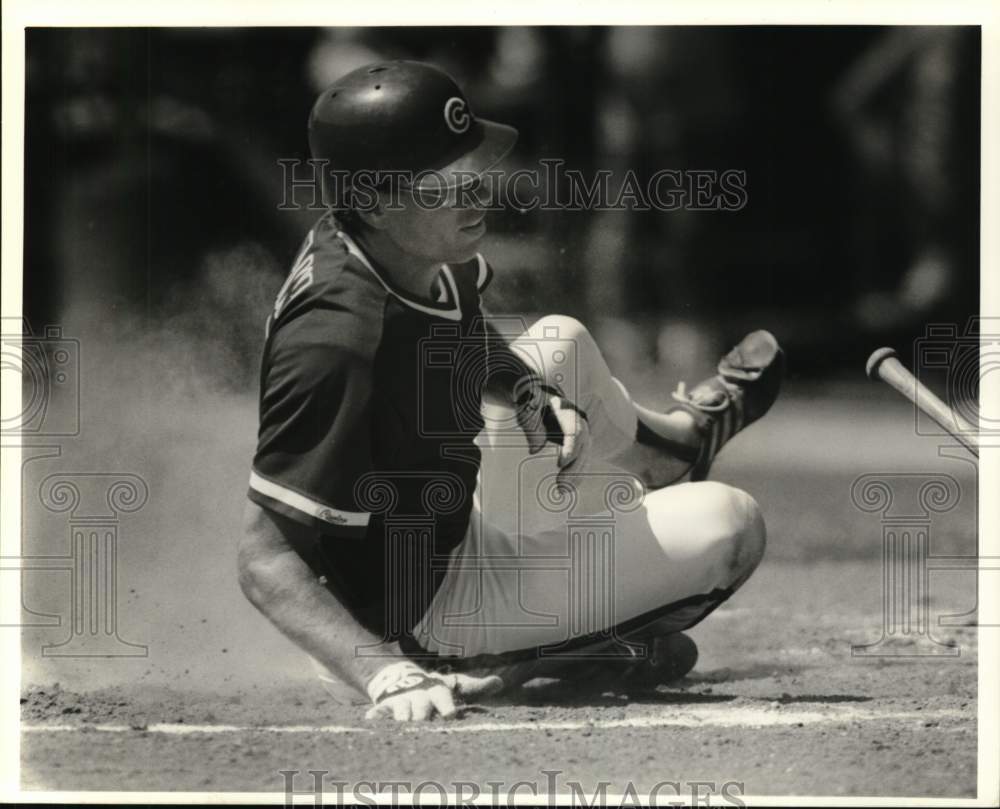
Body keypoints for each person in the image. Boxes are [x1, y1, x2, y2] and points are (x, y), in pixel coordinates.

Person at [238, 60, 784, 722]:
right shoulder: (335, 343)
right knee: (730, 524)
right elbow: (264, 560)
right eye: (446, 183)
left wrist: (525, 389)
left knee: (558, 343)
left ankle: (669, 451)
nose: (476, 195)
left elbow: (459, 334)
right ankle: (534, 659)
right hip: (419, 617)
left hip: (449, 528)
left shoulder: (398, 245)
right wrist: (386, 673)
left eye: (472, 171)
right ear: (377, 201)